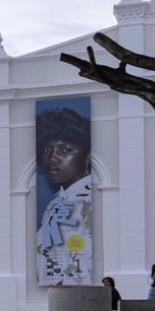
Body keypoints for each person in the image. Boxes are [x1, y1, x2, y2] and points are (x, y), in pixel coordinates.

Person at [35, 106, 93, 285]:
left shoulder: (88, 201)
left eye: (65, 150)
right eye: (47, 150)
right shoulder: (61, 200)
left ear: (87, 155)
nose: (52, 157)